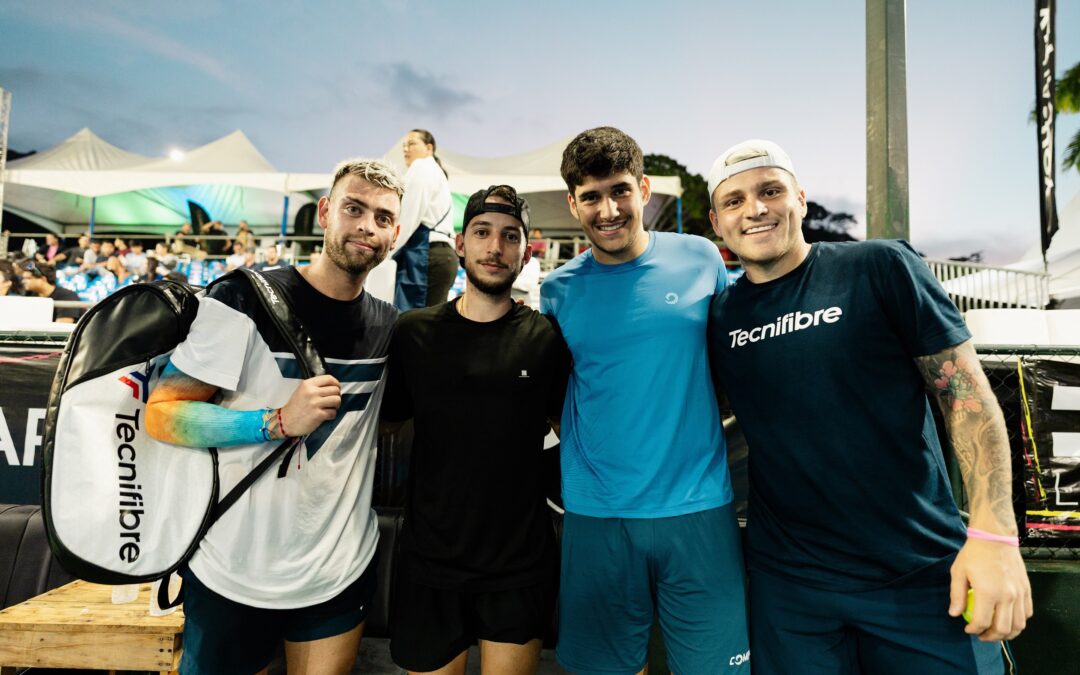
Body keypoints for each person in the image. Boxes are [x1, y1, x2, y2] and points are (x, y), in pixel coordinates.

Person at [705, 139, 1032, 675]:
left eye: (770, 191)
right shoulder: (718, 317)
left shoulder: (878, 266)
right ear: (718, 222)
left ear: (801, 199)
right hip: (791, 590)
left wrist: (994, 537)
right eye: (735, 201)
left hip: (921, 574)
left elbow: (967, 400)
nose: (756, 209)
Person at [143, 158, 403, 674]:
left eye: (382, 217)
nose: (366, 227)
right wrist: (275, 422)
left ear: (395, 234)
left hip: (338, 571)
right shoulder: (242, 298)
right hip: (231, 568)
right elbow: (163, 416)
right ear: (326, 212)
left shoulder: (390, 326)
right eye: (353, 209)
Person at [540, 127, 749, 675]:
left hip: (699, 508)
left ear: (644, 189)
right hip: (597, 515)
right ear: (572, 202)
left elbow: (738, 362)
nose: (607, 210)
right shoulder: (556, 291)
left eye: (619, 191)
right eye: (590, 196)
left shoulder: (702, 259)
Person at [383, 185, 570, 675]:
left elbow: (569, 427)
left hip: (519, 565)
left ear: (526, 253)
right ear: (460, 243)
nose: (495, 248)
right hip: (430, 562)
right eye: (483, 233)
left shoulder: (546, 339)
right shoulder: (413, 333)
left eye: (510, 237)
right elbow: (383, 426)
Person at [393, 128, 456, 310]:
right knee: (430, 326)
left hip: (427, 255)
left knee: (415, 324)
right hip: (441, 255)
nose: (406, 149)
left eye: (412, 143)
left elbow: (408, 215)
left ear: (429, 148)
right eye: (404, 145)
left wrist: (388, 251)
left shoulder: (422, 166)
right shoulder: (435, 171)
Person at [18, 259, 83, 323]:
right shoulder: (31, 296)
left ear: (43, 279)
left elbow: (61, 329)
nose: (23, 281)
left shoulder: (67, 296)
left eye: (28, 278)